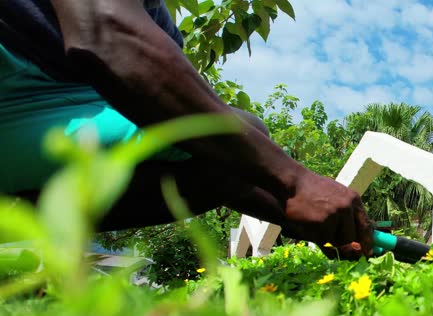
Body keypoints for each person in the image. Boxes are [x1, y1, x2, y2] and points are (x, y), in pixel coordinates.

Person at [0, 0, 372, 259]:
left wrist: (309, 220)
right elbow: (106, 34)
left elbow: (212, 157)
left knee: (223, 140)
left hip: (31, 120)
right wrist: (296, 180)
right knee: (237, 129)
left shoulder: (158, 22)